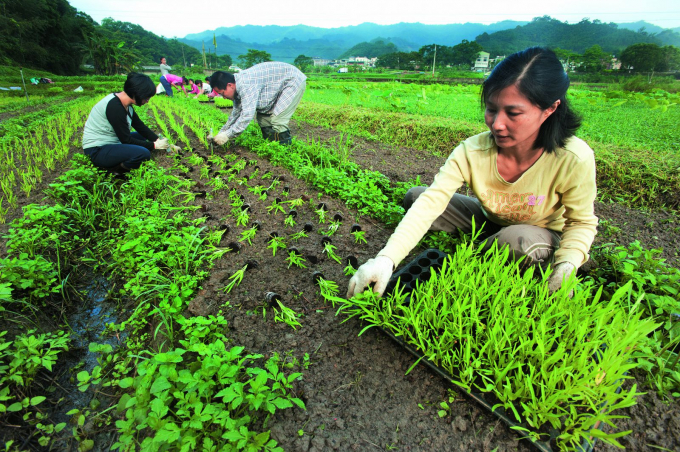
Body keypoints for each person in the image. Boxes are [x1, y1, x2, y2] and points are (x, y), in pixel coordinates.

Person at [347, 47, 598, 298]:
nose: (497, 124)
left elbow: (581, 222)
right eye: (491, 109)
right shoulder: (473, 150)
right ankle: (492, 241)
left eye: (513, 113)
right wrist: (386, 259)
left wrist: (567, 264)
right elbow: (432, 201)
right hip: (492, 218)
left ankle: (501, 246)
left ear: (550, 109)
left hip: (540, 231)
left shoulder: (573, 158)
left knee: (514, 241)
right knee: (416, 197)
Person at [82, 72, 179, 174]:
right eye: (146, 98)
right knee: (143, 153)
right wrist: (154, 145)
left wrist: (166, 144)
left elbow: (140, 127)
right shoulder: (115, 107)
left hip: (112, 142)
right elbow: (126, 140)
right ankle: (115, 171)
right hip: (97, 150)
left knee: (142, 137)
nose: (147, 101)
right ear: (136, 93)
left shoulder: (125, 104)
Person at [208, 61, 306, 146]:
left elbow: (246, 116)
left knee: (278, 120)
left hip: (292, 80)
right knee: (263, 118)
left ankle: (285, 149)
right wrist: (221, 133)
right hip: (276, 86)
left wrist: (227, 135)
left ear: (229, 85)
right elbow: (235, 114)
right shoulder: (237, 87)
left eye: (222, 93)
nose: (224, 97)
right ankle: (272, 145)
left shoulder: (246, 84)